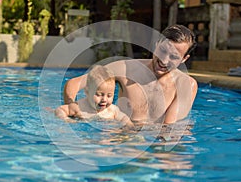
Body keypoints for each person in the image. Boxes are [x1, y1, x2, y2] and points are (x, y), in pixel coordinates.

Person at [63, 24, 198, 125]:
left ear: (184, 59)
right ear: (156, 44)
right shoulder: (126, 68)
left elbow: (168, 127)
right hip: (120, 134)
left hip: (158, 138)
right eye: (162, 50)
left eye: (174, 57)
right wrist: (72, 109)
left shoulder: (186, 85)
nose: (164, 60)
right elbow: (75, 83)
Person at [55, 65, 134, 127]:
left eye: (109, 96)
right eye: (99, 95)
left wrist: (130, 128)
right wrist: (65, 120)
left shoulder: (113, 110)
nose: (104, 99)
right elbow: (60, 109)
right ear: (87, 92)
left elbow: (125, 119)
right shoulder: (79, 107)